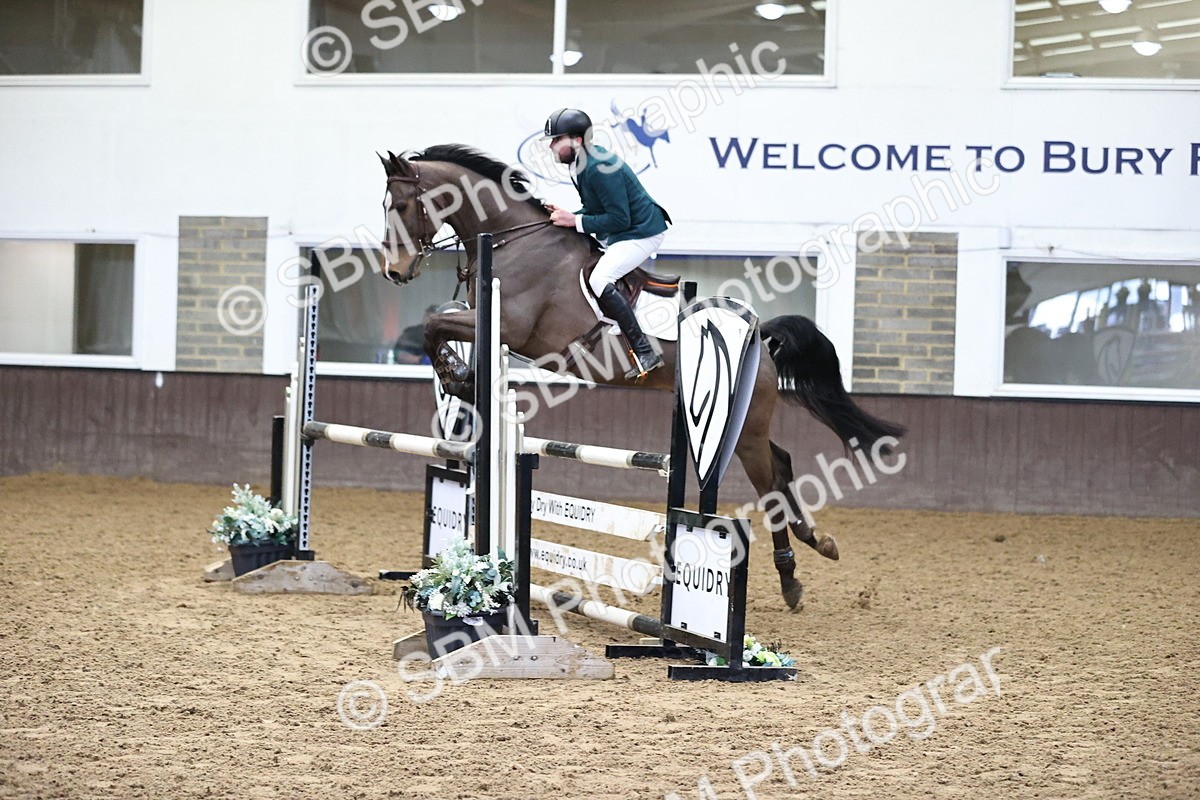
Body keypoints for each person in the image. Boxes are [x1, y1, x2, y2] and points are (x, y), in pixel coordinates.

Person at [542, 108, 670, 380]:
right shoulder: (579, 165)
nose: (552, 146)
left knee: (600, 278)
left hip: (642, 232)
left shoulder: (598, 166)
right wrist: (569, 216)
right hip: (625, 231)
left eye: (557, 140)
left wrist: (574, 222)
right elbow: (594, 209)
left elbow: (619, 218)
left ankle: (645, 352)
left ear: (577, 140)